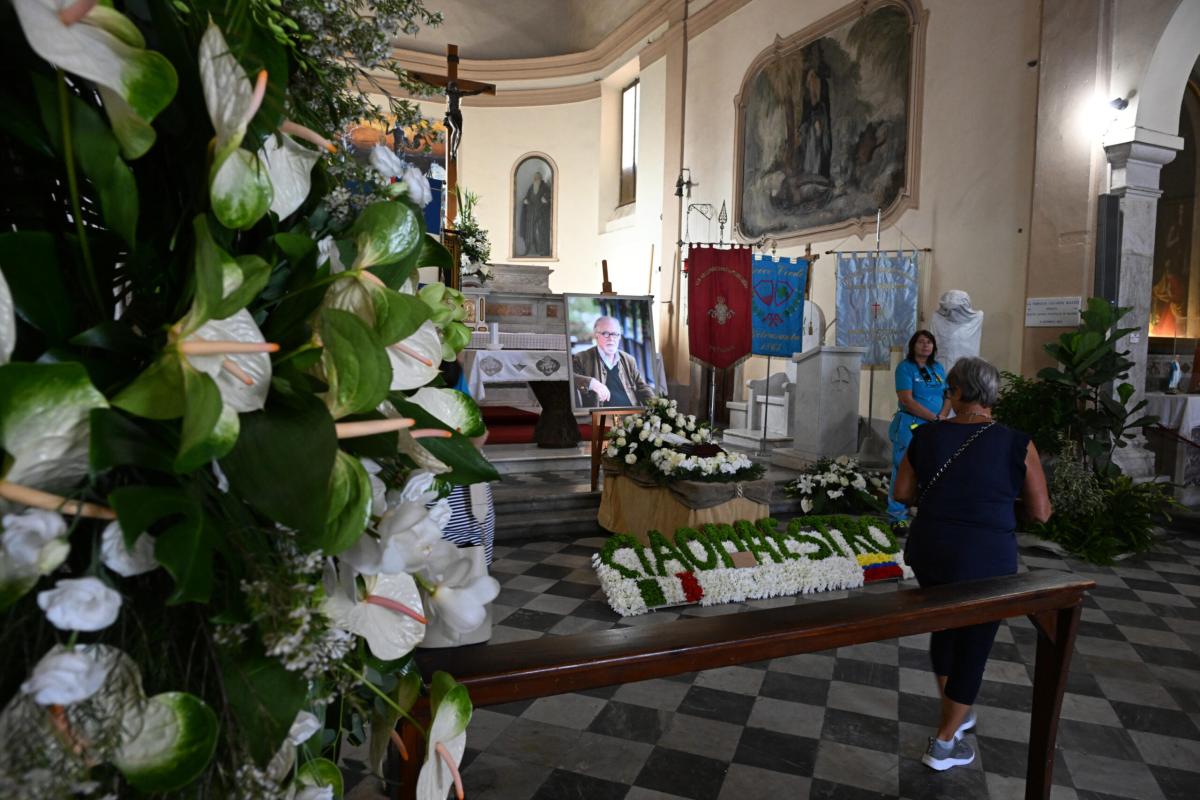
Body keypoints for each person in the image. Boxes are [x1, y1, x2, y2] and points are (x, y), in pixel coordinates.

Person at [893, 357, 1051, 772]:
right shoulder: (1018, 443)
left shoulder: (926, 435)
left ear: (958, 393)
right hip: (986, 558)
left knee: (946, 630)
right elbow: (1041, 512)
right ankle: (945, 743)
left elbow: (902, 491)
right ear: (992, 395)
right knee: (975, 646)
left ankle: (956, 713)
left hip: (931, 551)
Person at [887, 330, 951, 526]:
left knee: (930, 468)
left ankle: (923, 508)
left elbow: (948, 395)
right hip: (911, 424)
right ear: (913, 346)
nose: (925, 345)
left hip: (935, 425)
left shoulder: (938, 368)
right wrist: (933, 417)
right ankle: (897, 515)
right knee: (903, 467)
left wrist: (942, 416)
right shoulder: (905, 368)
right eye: (921, 342)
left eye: (929, 342)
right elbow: (906, 400)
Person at [572, 316, 655, 408]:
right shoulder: (582, 358)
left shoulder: (629, 359)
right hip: (600, 417)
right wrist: (591, 383)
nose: (611, 338)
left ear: (619, 337)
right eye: (606, 333)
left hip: (632, 416)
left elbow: (642, 388)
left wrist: (656, 407)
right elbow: (569, 378)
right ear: (596, 335)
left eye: (615, 334)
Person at [520, 169, 552, 256]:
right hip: (531, 214)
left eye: (537, 177)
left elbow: (550, 198)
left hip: (541, 214)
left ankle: (542, 251)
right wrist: (525, 200)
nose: (535, 179)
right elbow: (527, 197)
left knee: (540, 233)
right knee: (529, 233)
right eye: (534, 177)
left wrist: (546, 200)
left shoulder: (545, 187)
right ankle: (529, 250)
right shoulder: (531, 187)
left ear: (540, 178)